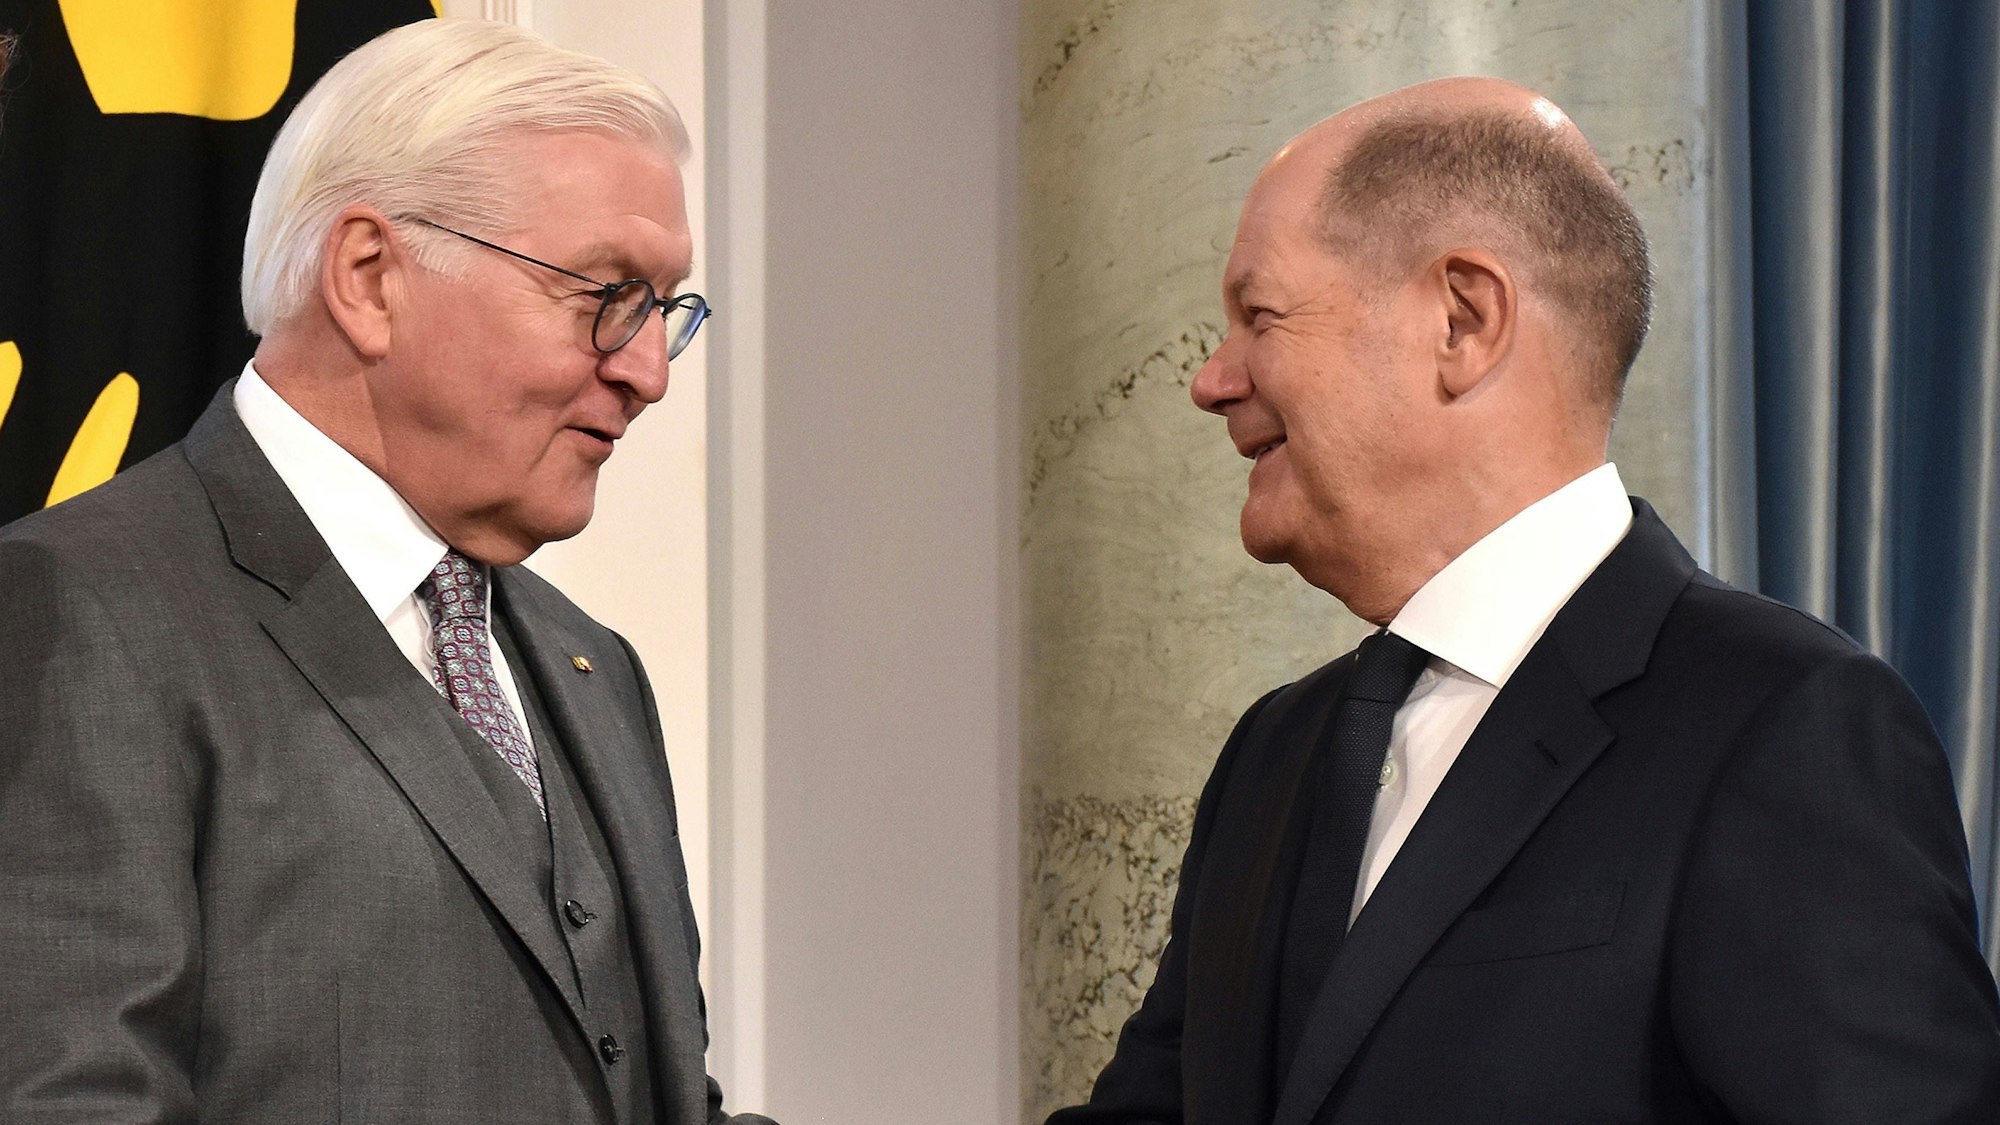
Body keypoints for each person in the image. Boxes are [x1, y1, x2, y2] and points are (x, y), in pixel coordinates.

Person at [1051, 77, 2000, 1124]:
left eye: (1259, 316)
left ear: (1463, 319)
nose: (1210, 380)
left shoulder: (1782, 725)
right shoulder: (1272, 754)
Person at [0, 20, 772, 1125]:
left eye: (661, 309)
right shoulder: (65, 616)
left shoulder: (592, 666)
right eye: (602, 294)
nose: (646, 370)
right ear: (368, 275)